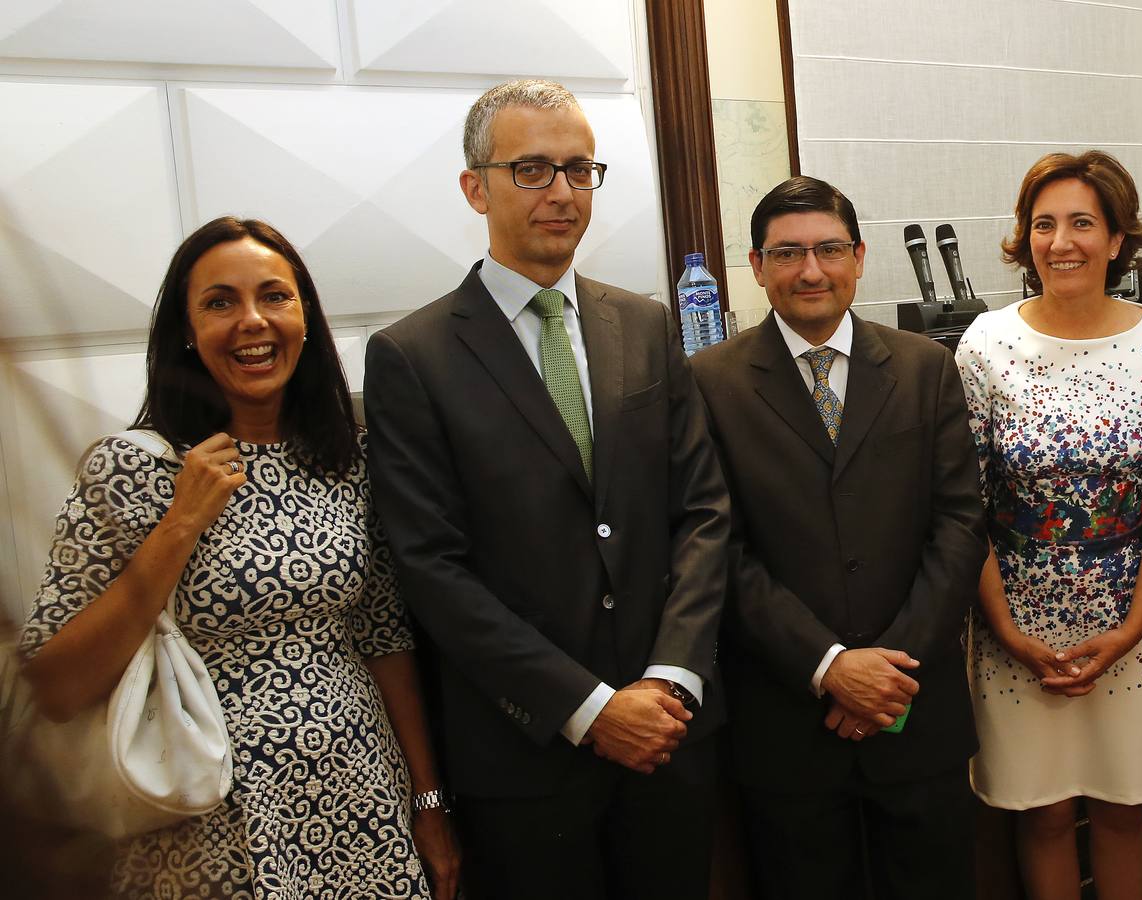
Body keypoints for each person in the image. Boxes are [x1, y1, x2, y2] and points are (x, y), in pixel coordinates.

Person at [362, 79, 732, 899]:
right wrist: (591, 707)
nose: (561, 192)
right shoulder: (412, 356)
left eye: (578, 169)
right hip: (525, 754)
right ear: (475, 187)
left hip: (669, 738)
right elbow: (432, 570)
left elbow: (703, 511)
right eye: (531, 169)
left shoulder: (642, 323)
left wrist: (670, 677)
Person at [17, 216, 458, 898]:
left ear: (305, 319)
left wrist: (428, 806)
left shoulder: (349, 459)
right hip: (208, 821)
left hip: (359, 802)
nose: (252, 320)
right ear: (187, 334)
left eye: (274, 296)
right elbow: (55, 685)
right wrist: (180, 523)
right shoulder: (133, 470)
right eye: (220, 302)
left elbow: (383, 636)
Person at [690, 177, 987, 900]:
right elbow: (718, 548)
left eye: (828, 249)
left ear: (858, 256)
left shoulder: (924, 367)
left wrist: (886, 676)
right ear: (757, 267)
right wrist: (829, 666)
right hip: (788, 719)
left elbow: (960, 522)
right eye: (787, 254)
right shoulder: (708, 383)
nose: (811, 271)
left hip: (914, 711)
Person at [956, 151, 1142, 900]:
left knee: (1125, 807)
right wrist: (1006, 631)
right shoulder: (985, 345)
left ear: (1115, 238)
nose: (1060, 242)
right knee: (1040, 816)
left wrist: (1131, 629)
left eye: (1080, 223)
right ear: (1024, 238)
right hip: (1018, 627)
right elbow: (965, 502)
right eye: (1043, 224)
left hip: (1132, 622)